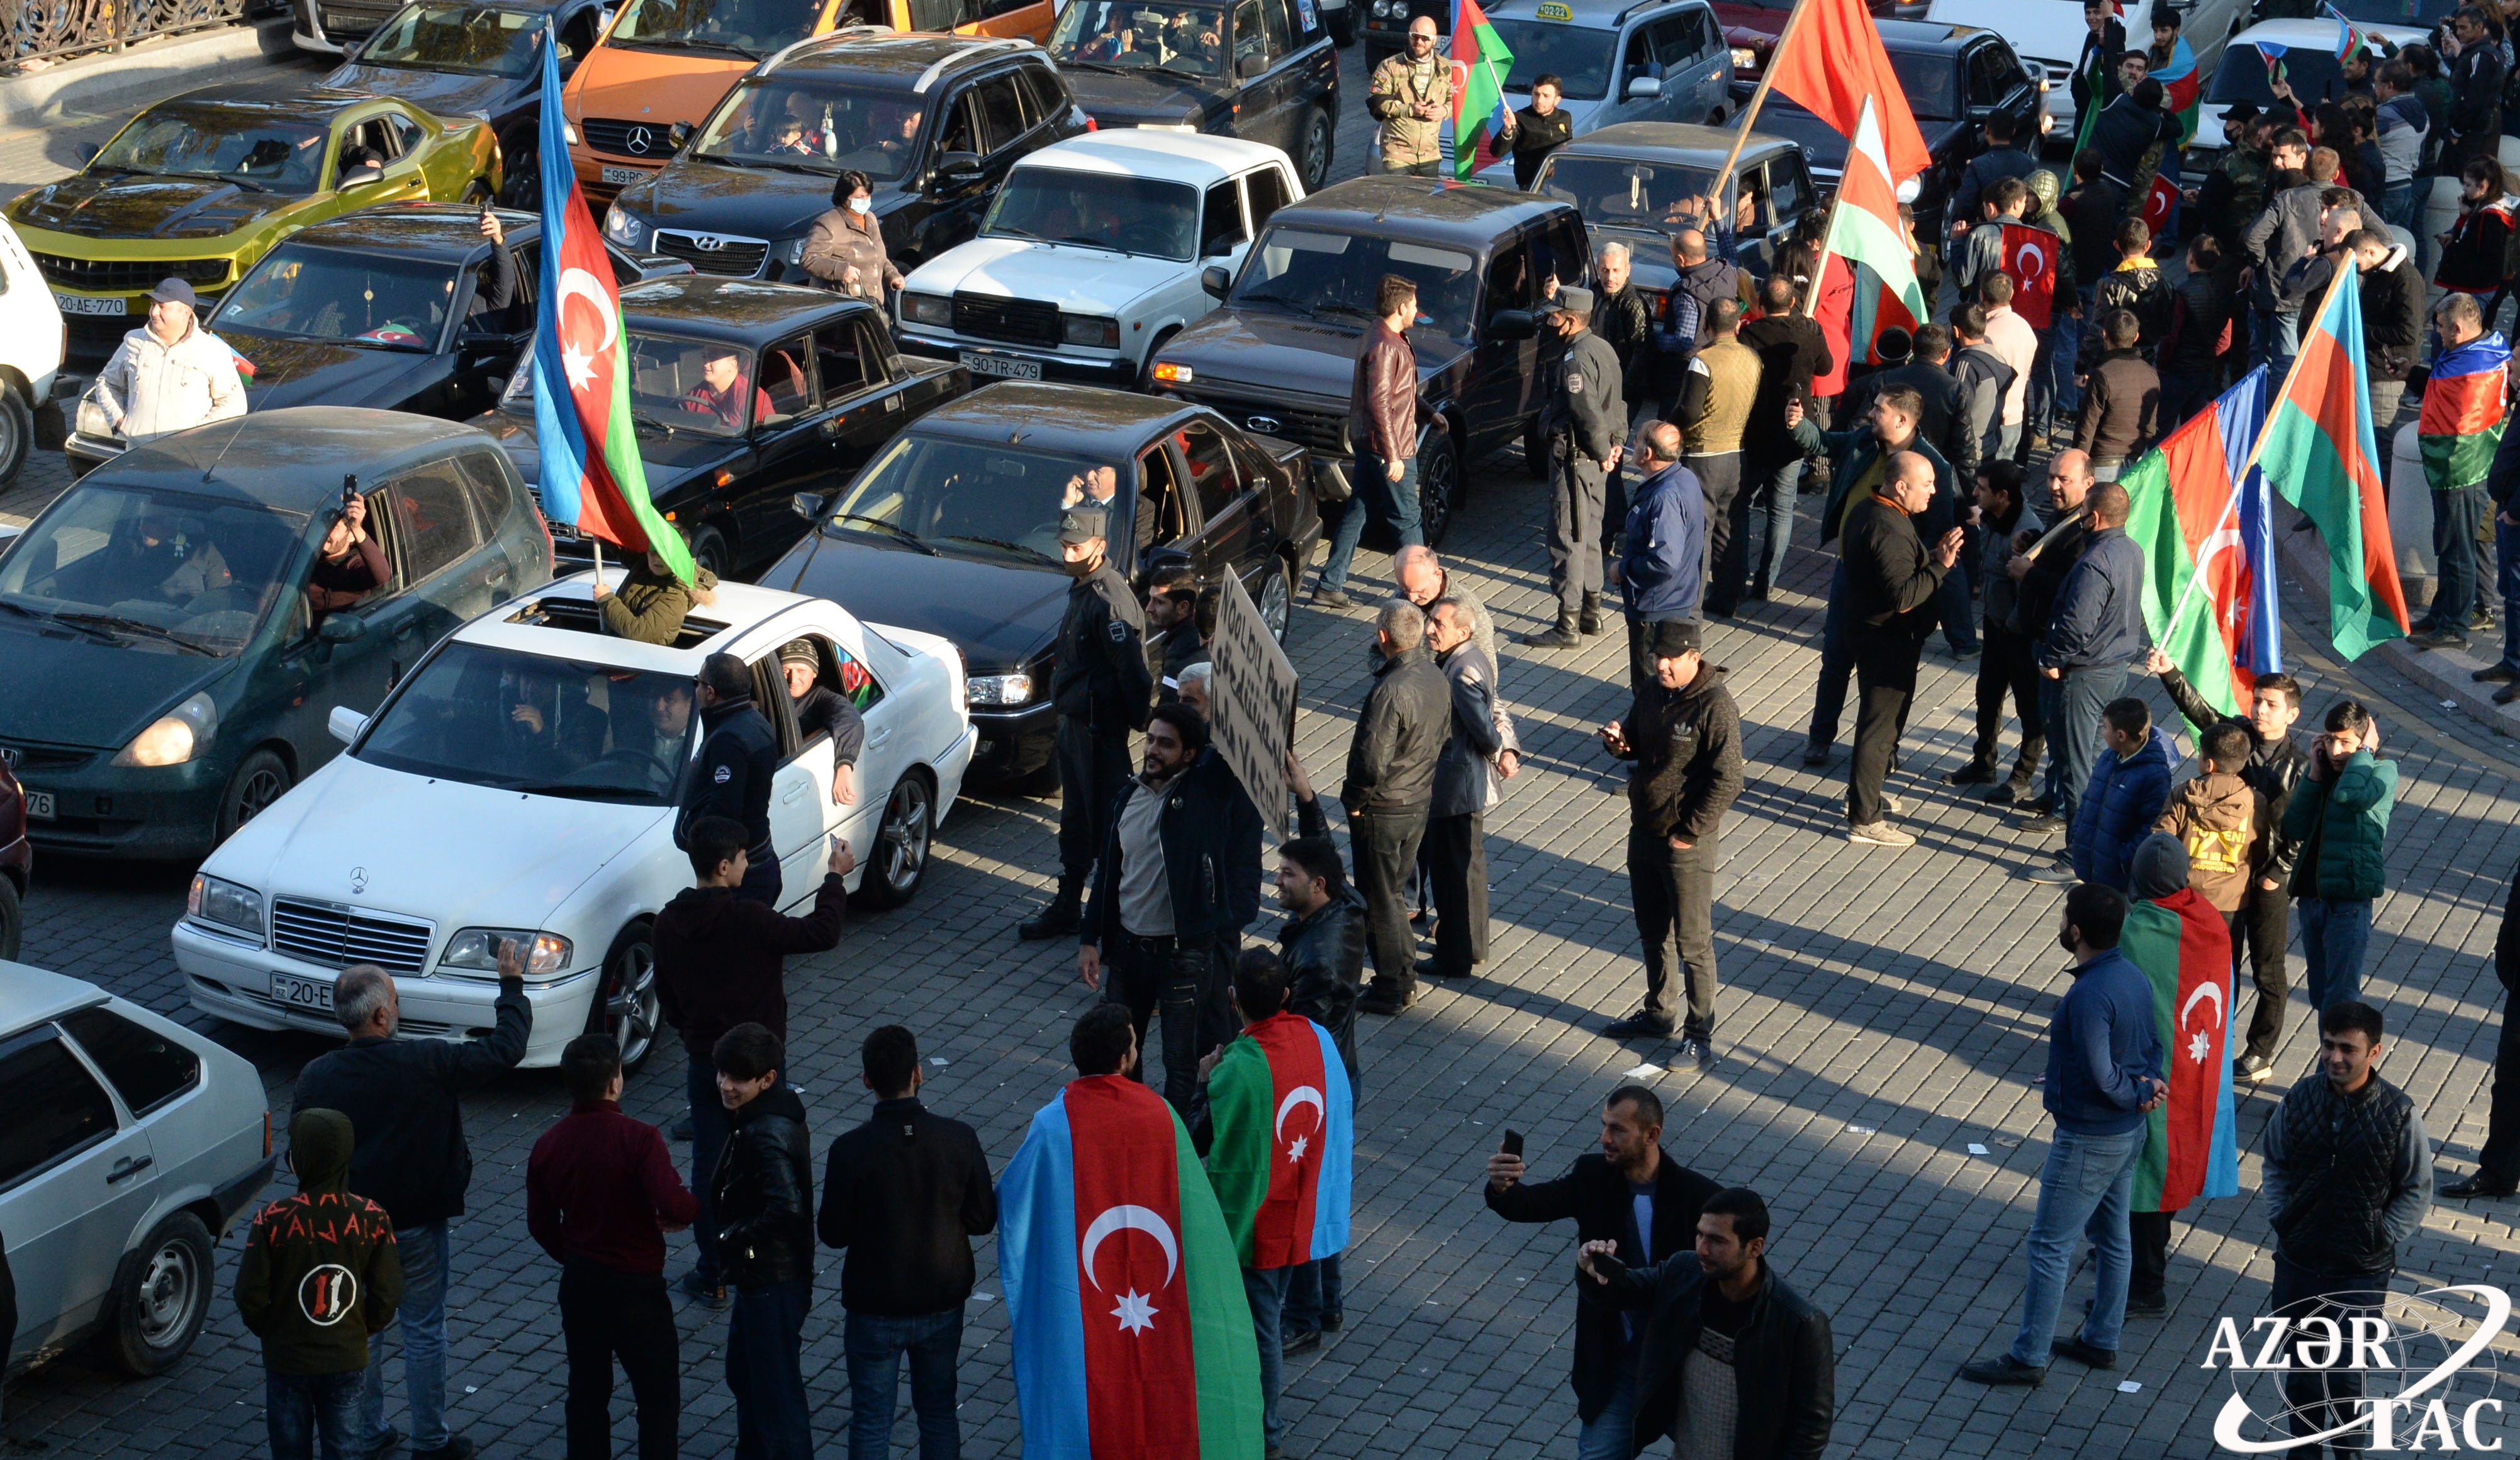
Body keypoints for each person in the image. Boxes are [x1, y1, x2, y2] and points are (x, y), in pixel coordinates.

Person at [294, 952, 532, 1460]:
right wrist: (510, 987)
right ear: (381, 1015)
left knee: (363, 1331)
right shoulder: (427, 1062)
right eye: (396, 1001)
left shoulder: (316, 1076)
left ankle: (365, 1431)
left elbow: (303, 1156)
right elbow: (506, 1050)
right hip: (417, 1224)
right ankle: (430, 1438)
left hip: (349, 1230)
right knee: (424, 1328)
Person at [997, 1006, 1262, 1456]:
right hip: (1155, 1294)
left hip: (1087, 1297)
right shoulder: (1159, 1114)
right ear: (1125, 1059)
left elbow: (1016, 1197)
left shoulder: (1051, 1124)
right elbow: (1195, 1209)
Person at [1962, 883, 2167, 1386]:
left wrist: (2130, 1091)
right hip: (2127, 1133)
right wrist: (2146, 1088)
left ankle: (2028, 1355)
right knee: (2114, 1237)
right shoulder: (2131, 976)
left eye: (2062, 918)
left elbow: (2102, 1073)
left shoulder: (2088, 994)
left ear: (2075, 931)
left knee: (2049, 1246)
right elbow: (2154, 1042)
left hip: (2087, 1139)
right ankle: (2101, 1339)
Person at [654, 818, 851, 1309]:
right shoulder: (749, 918)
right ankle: (764, 1262)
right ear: (724, 866)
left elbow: (666, 998)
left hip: (704, 1063)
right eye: (743, 857)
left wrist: (693, 1031)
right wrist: (834, 877)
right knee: (768, 1161)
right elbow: (821, 932)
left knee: (708, 1167)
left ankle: (712, 1271)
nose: (748, 864)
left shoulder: (667, 923)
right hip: (762, 1066)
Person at [1483, 1088, 1721, 1460]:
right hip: (1619, 1366)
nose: (1604, 1138)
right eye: (1604, 1126)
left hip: (1682, 1367)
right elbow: (1529, 1204)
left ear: (1652, 1135)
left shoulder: (1700, 1198)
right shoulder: (1592, 1175)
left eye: (1618, 1130)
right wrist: (1502, 1187)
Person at [1195, 950, 1353, 1460]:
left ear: (1232, 997)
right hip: (1299, 1209)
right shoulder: (1316, 1038)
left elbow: (1199, 1135)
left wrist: (1203, 1081)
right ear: (1286, 995)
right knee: (1270, 1310)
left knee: (1262, 1325)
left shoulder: (1235, 1068)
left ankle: (1267, 1434)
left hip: (1255, 1222)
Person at [2258, 1001, 2434, 1449]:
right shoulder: (2298, 1099)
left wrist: (2381, 1234)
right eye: (2327, 1045)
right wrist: (2283, 1217)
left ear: (2374, 1051)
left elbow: (2416, 1187)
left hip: (2358, 1269)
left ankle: (2348, 1453)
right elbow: (2275, 1163)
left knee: (2342, 1379)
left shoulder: (2398, 1113)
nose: (2334, 1057)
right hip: (2298, 1261)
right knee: (2300, 1376)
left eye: (2346, 1048)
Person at [818, 1025, 997, 1460]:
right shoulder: (958, 1138)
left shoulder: (849, 1149)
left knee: (871, 1418)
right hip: (940, 1300)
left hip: (874, 1306)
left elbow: (832, 1234)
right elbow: (982, 1218)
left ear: (866, 1079)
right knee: (937, 1412)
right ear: (919, 1073)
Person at [1078, 702, 1262, 1113]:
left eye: (1166, 743)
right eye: (1150, 739)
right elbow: (1107, 875)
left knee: (1180, 1063)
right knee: (1121, 1057)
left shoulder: (1202, 796)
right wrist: (1090, 938)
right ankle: (1133, 1125)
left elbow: (1233, 743)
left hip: (1181, 956)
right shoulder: (1125, 799)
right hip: (1128, 953)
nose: (1153, 750)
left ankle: (1176, 1143)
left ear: (1190, 754)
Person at [525, 1034, 698, 1460]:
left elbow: (539, 1221)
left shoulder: (548, 1143)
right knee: (657, 1397)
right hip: (638, 1288)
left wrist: (574, 1253)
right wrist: (691, 1206)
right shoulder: (639, 1138)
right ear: (616, 1082)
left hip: (582, 1283)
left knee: (586, 1392)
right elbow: (676, 1203)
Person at [1572, 1188, 1834, 1457]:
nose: (1702, 1249)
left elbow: (1812, 1427)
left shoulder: (1799, 1322)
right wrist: (1592, 1271)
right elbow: (1627, 1289)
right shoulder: (1684, 1273)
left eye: (1717, 1241)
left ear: (1755, 1247)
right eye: (1700, 1234)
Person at [2144, 650, 2307, 1081]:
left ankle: (2260, 1051)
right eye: (2257, 700)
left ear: (2291, 714)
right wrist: (2169, 673)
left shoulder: (2300, 765)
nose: (2260, 709)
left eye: (2271, 704)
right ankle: (2213, 1037)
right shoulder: (2238, 737)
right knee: (2223, 963)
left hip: (2268, 877)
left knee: (2268, 969)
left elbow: (2303, 826)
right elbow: (2201, 713)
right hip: (2226, 877)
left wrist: (2277, 871)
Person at [1599, 619, 1743, 1057]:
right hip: (1643, 830)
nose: (1660, 665)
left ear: (1693, 658)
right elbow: (1637, 741)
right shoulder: (1651, 691)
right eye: (1656, 656)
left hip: (1684, 844)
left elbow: (1730, 779)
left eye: (1669, 659)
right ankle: (1659, 1012)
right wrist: (1620, 745)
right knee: (1651, 930)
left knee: (1693, 943)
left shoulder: (1715, 706)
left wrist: (1689, 832)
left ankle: (1698, 1035)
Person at [238, 1109, 405, 1460]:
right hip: (345, 1356)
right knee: (345, 1446)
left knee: (289, 1448)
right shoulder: (372, 1216)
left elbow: (249, 1294)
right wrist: (361, 1327)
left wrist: (272, 1330)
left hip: (288, 1359)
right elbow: (388, 1293)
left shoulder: (272, 1219)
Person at [2118, 834, 2239, 1315]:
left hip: (2156, 1077)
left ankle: (2146, 1284)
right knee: (2165, 1168)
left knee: (2145, 1176)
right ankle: (2128, 1258)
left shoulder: (2138, 933)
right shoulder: (2209, 922)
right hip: (2198, 1073)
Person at [1020, 508, 1154, 937]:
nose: (1067, 554)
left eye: (1075, 547)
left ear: (1099, 547)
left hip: (1099, 733)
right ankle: (1068, 903)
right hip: (1076, 726)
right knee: (1076, 821)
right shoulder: (1084, 588)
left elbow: (1132, 671)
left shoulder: (1109, 601)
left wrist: (1138, 722)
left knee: (1108, 827)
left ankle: (1111, 915)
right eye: (1063, 546)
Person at [1842, 452, 1964, 847]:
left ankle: (1868, 795)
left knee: (1878, 724)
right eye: (1926, 483)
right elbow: (1903, 596)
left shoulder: (1871, 510)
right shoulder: (1889, 528)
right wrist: (1941, 566)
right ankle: (1865, 819)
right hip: (1887, 641)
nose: (1934, 491)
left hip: (1874, 633)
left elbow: (1892, 572)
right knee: (1880, 729)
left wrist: (1929, 557)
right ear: (1900, 487)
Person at [709, 1023, 816, 1460]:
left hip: (771, 1278)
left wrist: (731, 1235)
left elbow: (786, 1207)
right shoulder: (763, 1117)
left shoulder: (765, 1131)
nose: (724, 1085)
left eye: (736, 1078)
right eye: (721, 1074)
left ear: (766, 1079)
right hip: (766, 1275)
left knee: (775, 1396)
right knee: (749, 1375)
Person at [1345, 600, 1451, 1014]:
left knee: (1381, 896)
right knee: (1392, 891)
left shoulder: (1389, 690)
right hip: (1417, 799)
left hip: (1384, 808)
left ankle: (1392, 984)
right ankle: (1401, 974)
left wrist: (1354, 801)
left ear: (1383, 636)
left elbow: (1369, 760)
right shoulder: (1434, 675)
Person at [2034, 481, 2144, 843]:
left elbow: (2077, 625)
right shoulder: (2131, 550)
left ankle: (2076, 852)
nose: (2079, 519)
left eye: (2083, 514)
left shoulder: (2095, 563)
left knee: (2076, 768)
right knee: (2097, 762)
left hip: (2084, 675)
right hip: (2114, 669)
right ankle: (2096, 840)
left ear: (2094, 518)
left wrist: (2052, 658)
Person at [1421, 595, 1517, 981]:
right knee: (1468, 868)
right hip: (1462, 786)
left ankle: (1455, 954)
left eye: (1438, 625)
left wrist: (1499, 752)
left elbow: (1482, 723)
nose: (1430, 629)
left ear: (1463, 631)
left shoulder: (1461, 670)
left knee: (1451, 873)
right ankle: (1472, 945)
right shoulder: (1470, 657)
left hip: (1456, 787)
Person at [1525, 287, 1627, 648]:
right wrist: (1615, 446)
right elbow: (1619, 404)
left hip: (1576, 462)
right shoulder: (1604, 349)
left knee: (1568, 537)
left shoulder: (1575, 359)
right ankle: (1591, 614)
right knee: (1592, 536)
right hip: (1596, 462)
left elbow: (1587, 413)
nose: (1550, 320)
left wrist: (1602, 450)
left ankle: (1567, 626)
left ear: (1570, 321)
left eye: (1555, 315)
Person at [1319, 275, 1428, 606]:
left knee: (1358, 512)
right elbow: (1379, 402)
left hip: (1374, 446)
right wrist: (1394, 456)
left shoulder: (1382, 334)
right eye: (1413, 305)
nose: (1417, 310)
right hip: (1389, 450)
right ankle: (1425, 592)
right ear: (1401, 307)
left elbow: (1399, 393)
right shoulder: (1385, 345)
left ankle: (1329, 584)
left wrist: (1430, 412)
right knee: (1408, 520)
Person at [2283, 700, 2398, 1012]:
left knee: (2341, 997)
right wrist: (2314, 776)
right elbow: (2293, 825)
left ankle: (2331, 1063)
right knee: (2321, 994)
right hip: (2312, 899)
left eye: (2345, 742)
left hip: (2347, 901)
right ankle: (2330, 1055)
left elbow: (2350, 795)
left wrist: (2365, 755)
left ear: (2365, 743)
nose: (2335, 750)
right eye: (2330, 740)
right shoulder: (2321, 771)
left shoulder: (2382, 770)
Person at [2413, 292, 2508, 649]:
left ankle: (2455, 627)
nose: (2435, 333)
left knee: (2460, 548)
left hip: (2464, 471)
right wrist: (2411, 375)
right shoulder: (2475, 354)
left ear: (2457, 327)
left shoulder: (2475, 366)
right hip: (2454, 470)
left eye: (2439, 327)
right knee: (2447, 544)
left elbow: (2461, 422)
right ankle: (2441, 612)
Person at [1947, 460, 2045, 797]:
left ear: (2003, 495)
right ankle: (1983, 764)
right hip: (1994, 627)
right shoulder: (1993, 519)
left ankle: (2022, 776)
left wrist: (2013, 627)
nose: (1975, 493)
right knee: (1987, 697)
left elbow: (2029, 595)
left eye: (1982, 488)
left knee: (2029, 709)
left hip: (2018, 635)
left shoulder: (2026, 533)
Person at [1737, 273, 1833, 601]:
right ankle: (1767, 579)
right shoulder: (1807, 332)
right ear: (1793, 303)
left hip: (1757, 431)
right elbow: (1826, 368)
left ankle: (1736, 572)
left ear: (1761, 304)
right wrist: (1813, 332)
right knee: (1781, 509)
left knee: (1741, 503)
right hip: (1795, 430)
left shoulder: (1750, 335)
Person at [674, 651, 783, 907]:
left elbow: (724, 812)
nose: (697, 690)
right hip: (759, 863)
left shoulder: (729, 740)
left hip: (742, 879)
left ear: (710, 692)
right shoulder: (754, 722)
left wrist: (692, 833)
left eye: (697, 683)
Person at [1677, 299, 1766, 617]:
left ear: (1707, 325)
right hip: (1738, 456)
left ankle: (1692, 602)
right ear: (1739, 323)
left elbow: (1689, 410)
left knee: (1698, 531)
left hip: (1703, 456)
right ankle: (1730, 596)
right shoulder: (1753, 358)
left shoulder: (1702, 361)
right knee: (1732, 528)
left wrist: (1671, 428)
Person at [89, 277, 246, 442]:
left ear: (185, 312)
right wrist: (118, 421)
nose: (154, 312)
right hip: (138, 454)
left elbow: (234, 404)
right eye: (152, 304)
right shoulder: (134, 341)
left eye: (163, 307)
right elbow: (106, 382)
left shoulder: (212, 349)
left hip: (186, 458)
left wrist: (199, 433)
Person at [1613, 422, 1705, 693]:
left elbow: (1664, 561)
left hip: (1657, 607)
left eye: (1638, 440)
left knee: (1651, 689)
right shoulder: (1684, 477)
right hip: (1677, 598)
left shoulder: (1665, 497)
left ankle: (1652, 732)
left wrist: (1623, 569)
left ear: (1648, 454)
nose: (1633, 441)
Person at [2155, 723, 2273, 926]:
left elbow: (2161, 843)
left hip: (2186, 897)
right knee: (2227, 956)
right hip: (2231, 902)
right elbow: (2261, 850)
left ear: (2209, 764)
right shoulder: (2256, 802)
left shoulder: (2183, 794)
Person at [2061, 698, 2178, 891]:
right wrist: (2078, 834)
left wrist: (2124, 861)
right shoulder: (2108, 758)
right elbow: (2089, 800)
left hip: (2118, 880)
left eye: (2105, 727)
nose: (2102, 731)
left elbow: (2152, 827)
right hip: (2091, 868)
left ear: (2121, 736)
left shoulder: (2154, 775)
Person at [2347, 228, 2424, 430]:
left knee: (2381, 437)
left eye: (2356, 264)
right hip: (2370, 366)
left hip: (2388, 373)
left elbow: (2408, 332)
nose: (2356, 270)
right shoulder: (2376, 272)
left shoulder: (2406, 279)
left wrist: (2360, 330)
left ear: (2370, 252)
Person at [2073, 309, 2160, 482]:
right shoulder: (2151, 374)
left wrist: (2076, 464)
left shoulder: (2102, 375)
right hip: (2137, 461)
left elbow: (2086, 429)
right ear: (2136, 337)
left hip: (2104, 463)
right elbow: (2150, 428)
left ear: (2105, 334)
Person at [2154, 236, 2233, 428]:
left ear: (2190, 257)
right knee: (2190, 429)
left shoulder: (2182, 293)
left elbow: (2171, 337)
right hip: (2204, 372)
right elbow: (2226, 338)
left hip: (2178, 371)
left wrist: (2161, 365)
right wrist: (2209, 358)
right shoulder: (2224, 292)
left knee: (2161, 428)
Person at [778, 638, 867, 805]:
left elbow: (849, 718)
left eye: (801, 670)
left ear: (814, 673)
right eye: (786, 670)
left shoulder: (821, 699)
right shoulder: (768, 697)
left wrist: (844, 764)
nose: (793, 678)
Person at [593, 532, 721, 645]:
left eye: (663, 555)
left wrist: (606, 600)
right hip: (618, 654)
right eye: (652, 552)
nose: (656, 559)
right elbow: (623, 554)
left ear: (678, 557)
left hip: (644, 666)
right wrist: (601, 533)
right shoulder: (646, 566)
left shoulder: (676, 597)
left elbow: (638, 632)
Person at [802, 170, 903, 304]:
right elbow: (809, 260)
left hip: (871, 306)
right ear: (845, 197)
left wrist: (892, 275)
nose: (865, 201)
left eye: (868, 196)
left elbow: (879, 257)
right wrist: (841, 270)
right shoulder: (828, 223)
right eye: (860, 197)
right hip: (840, 306)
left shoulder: (871, 218)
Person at [1369, 17, 1450, 177]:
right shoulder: (1390, 66)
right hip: (1398, 154)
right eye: (1415, 36)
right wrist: (1409, 110)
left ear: (1434, 40)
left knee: (1426, 201)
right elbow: (1376, 102)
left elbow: (1457, 99)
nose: (1419, 42)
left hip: (1429, 156)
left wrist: (1445, 110)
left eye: (1425, 38)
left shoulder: (1445, 68)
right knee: (1399, 198)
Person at [1949, 109, 2041, 245]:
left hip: (1985, 236)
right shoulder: (2028, 163)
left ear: (1987, 130)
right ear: (2014, 131)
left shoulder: (1977, 165)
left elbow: (1964, 205)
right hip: (2021, 235)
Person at [1593, 242, 1657, 433]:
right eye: (1605, 270)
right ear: (1598, 269)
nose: (1610, 277)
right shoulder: (1595, 293)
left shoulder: (1633, 304)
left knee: (1613, 441)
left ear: (1627, 270)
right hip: (1596, 381)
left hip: (1621, 391)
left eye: (1616, 270)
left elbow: (1642, 353)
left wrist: (1622, 391)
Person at [1978, 273, 2039, 459]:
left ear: (1981, 295)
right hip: (2016, 415)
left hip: (1991, 420)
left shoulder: (1985, 335)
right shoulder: (2025, 327)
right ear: (2012, 294)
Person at [306, 492, 389, 628]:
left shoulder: (354, 566)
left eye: (334, 527)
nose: (325, 532)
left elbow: (383, 577)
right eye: (324, 526)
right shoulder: (305, 559)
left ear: (351, 536)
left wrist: (356, 527)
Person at [1950, 307, 2018, 467]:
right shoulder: (1996, 357)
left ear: (1956, 331)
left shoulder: (1965, 364)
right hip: (1989, 443)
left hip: (1969, 450)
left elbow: (1958, 410)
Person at [2443, 6, 2504, 169]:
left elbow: (2474, 100)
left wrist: (2457, 131)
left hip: (2469, 132)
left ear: (2479, 27)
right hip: (2468, 128)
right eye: (2457, 28)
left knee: (2459, 177)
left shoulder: (2482, 55)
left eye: (2464, 27)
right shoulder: (2474, 51)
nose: (2459, 32)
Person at [1143, 562, 1205, 699]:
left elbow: (1170, 705)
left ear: (1182, 607)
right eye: (1150, 599)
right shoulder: (1195, 633)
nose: (1149, 608)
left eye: (1159, 602)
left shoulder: (1179, 657)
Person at [1504, 73, 1572, 189]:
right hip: (1531, 186)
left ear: (1557, 100)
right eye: (1536, 94)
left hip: (1559, 184)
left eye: (1546, 96)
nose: (1539, 100)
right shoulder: (1520, 119)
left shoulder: (1565, 117)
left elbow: (1568, 148)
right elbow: (1497, 151)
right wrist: (1507, 130)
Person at [683, 347, 773, 429]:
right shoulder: (694, 396)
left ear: (732, 365)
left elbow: (766, 434)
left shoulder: (751, 397)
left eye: (713, 358)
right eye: (704, 356)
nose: (705, 364)